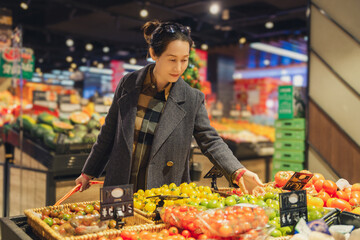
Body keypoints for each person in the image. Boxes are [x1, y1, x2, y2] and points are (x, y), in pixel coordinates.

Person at [76, 20, 264, 194]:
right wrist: (88, 172)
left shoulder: (192, 98)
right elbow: (109, 131)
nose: (179, 68)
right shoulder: (128, 84)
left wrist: (237, 171)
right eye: (172, 59)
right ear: (153, 54)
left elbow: (210, 140)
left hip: (165, 189)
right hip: (121, 184)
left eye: (184, 60)